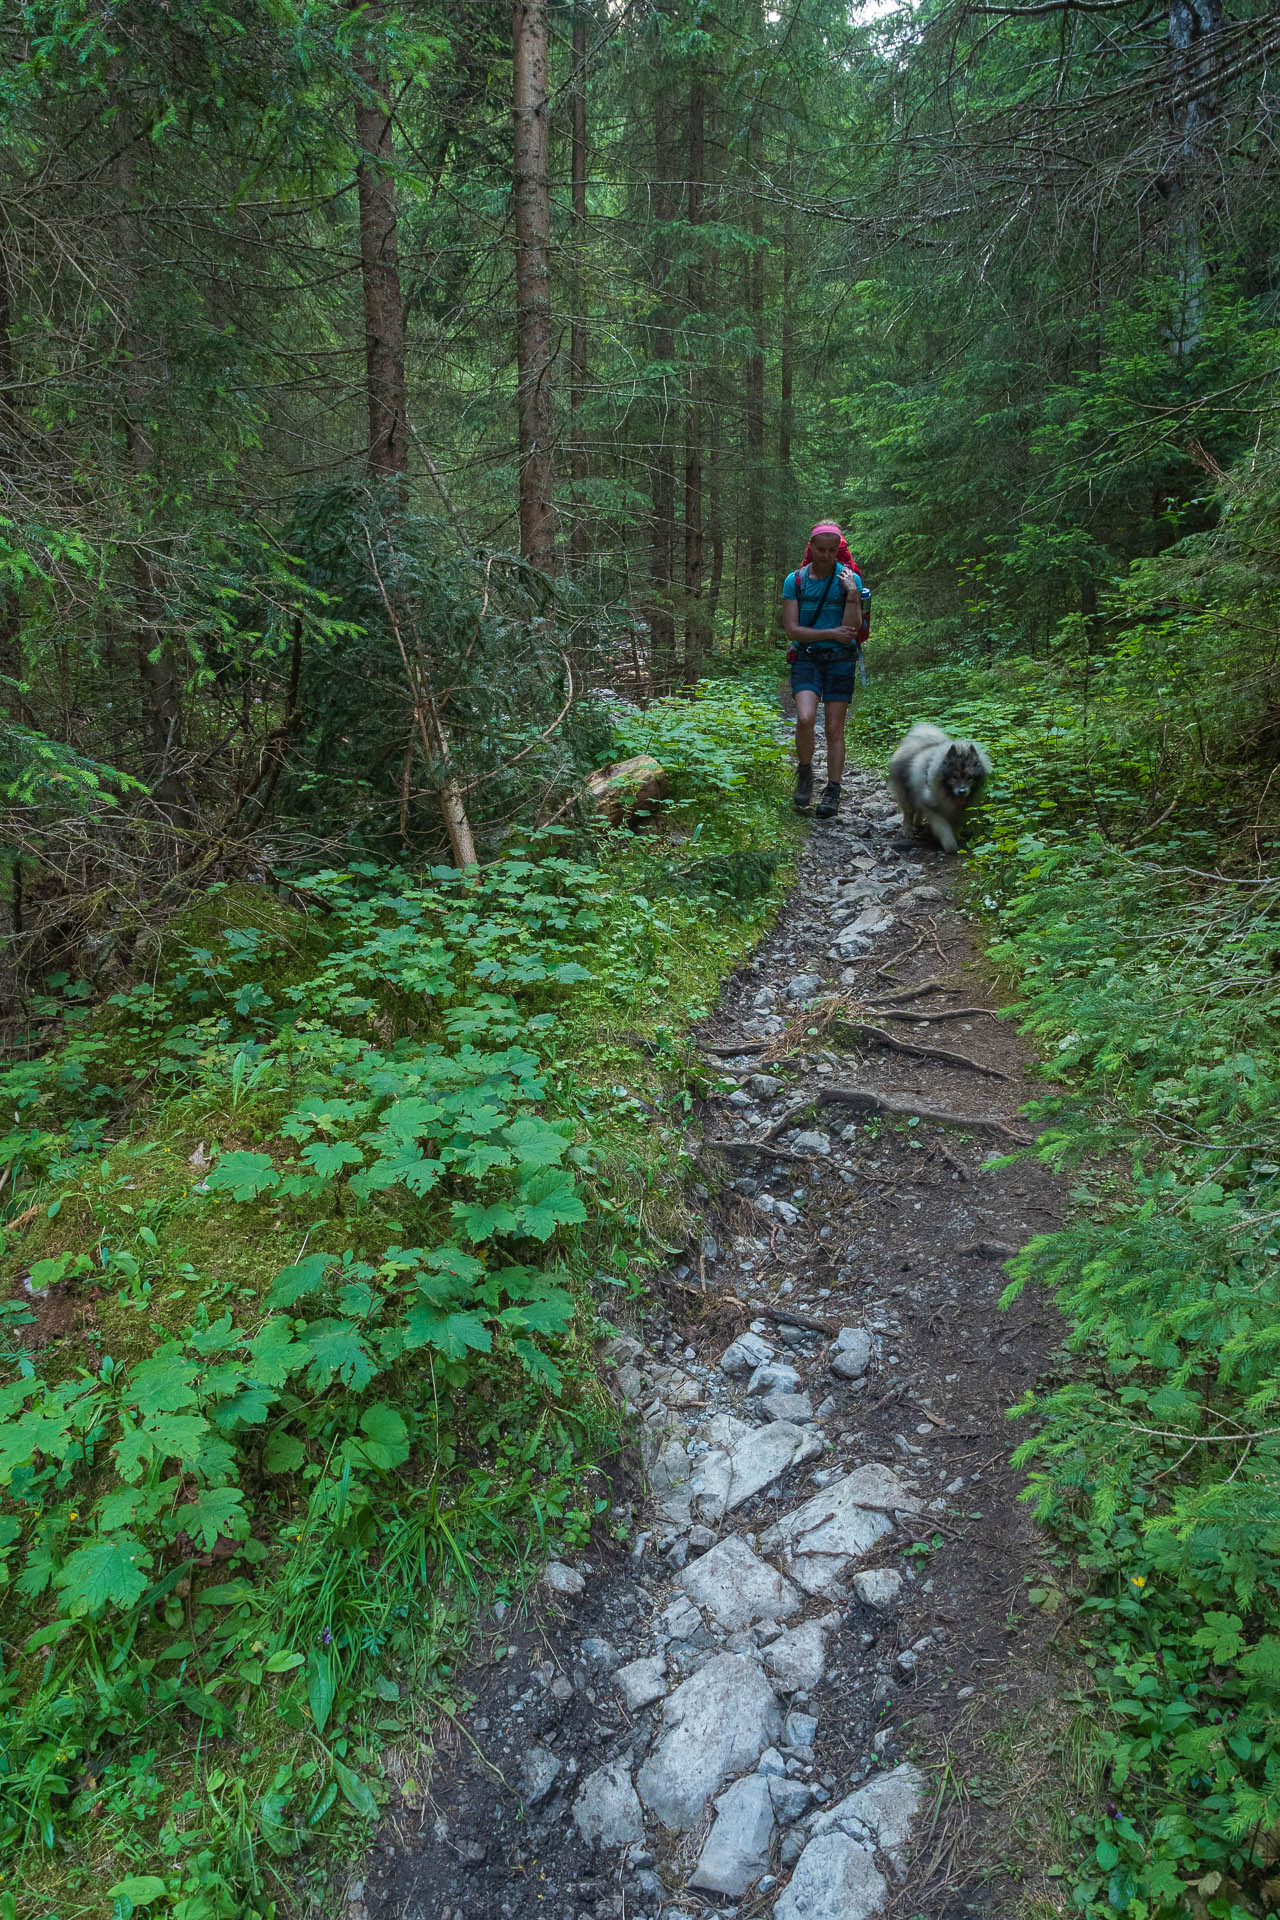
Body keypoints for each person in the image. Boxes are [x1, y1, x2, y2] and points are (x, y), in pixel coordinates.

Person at [781, 522, 866, 818]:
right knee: (805, 718)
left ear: (838, 548)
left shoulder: (849, 578)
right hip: (806, 658)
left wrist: (852, 593)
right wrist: (830, 633)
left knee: (833, 729)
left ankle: (833, 789)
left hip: (841, 661)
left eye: (833, 550)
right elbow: (793, 629)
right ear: (811, 547)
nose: (827, 556)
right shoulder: (795, 581)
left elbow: (852, 628)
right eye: (821, 550)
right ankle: (805, 773)